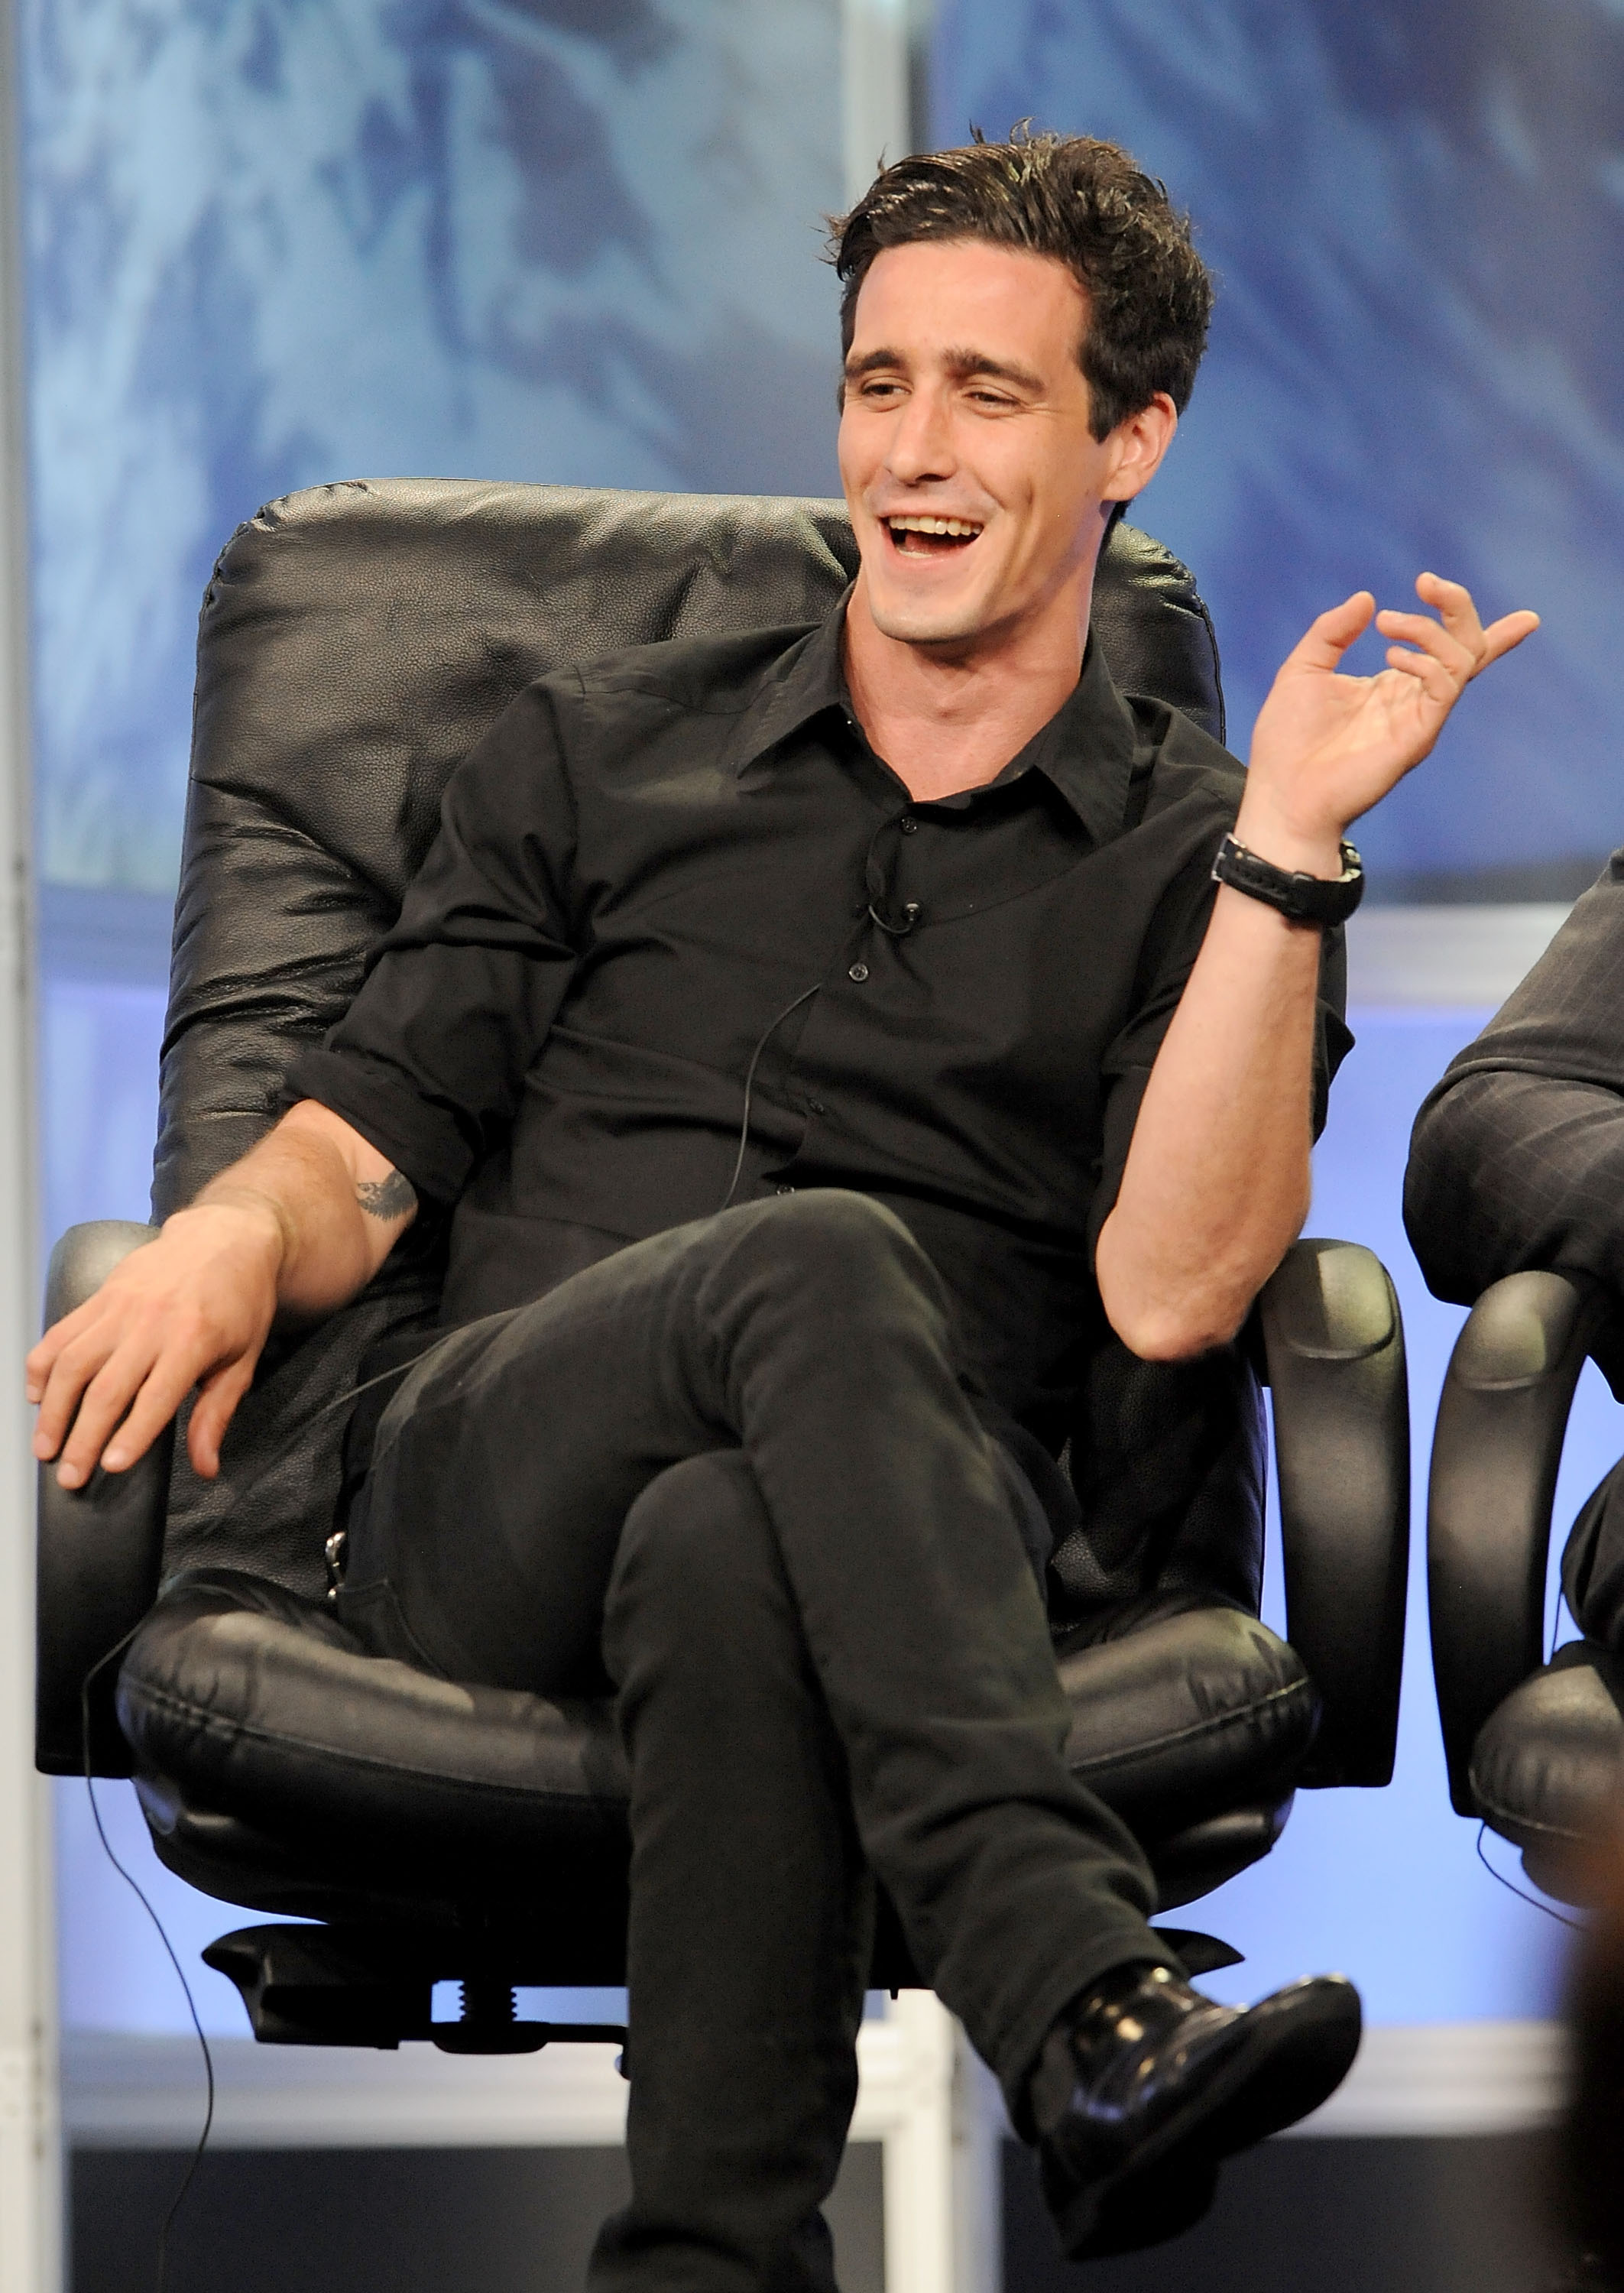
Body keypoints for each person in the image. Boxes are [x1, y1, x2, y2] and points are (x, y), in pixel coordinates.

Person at [29, 131, 1536, 2285]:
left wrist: (1287, 847)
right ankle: (1075, 1991)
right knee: (817, 1260)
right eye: (877, 384)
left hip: (921, 1537)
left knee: (732, 1530)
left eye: (986, 397)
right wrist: (230, 1234)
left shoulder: (1204, 854)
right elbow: (362, 1147)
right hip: (484, 1490)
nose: (909, 456)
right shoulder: (588, 749)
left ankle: (708, 2262)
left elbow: (1177, 1290)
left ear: (1133, 439)